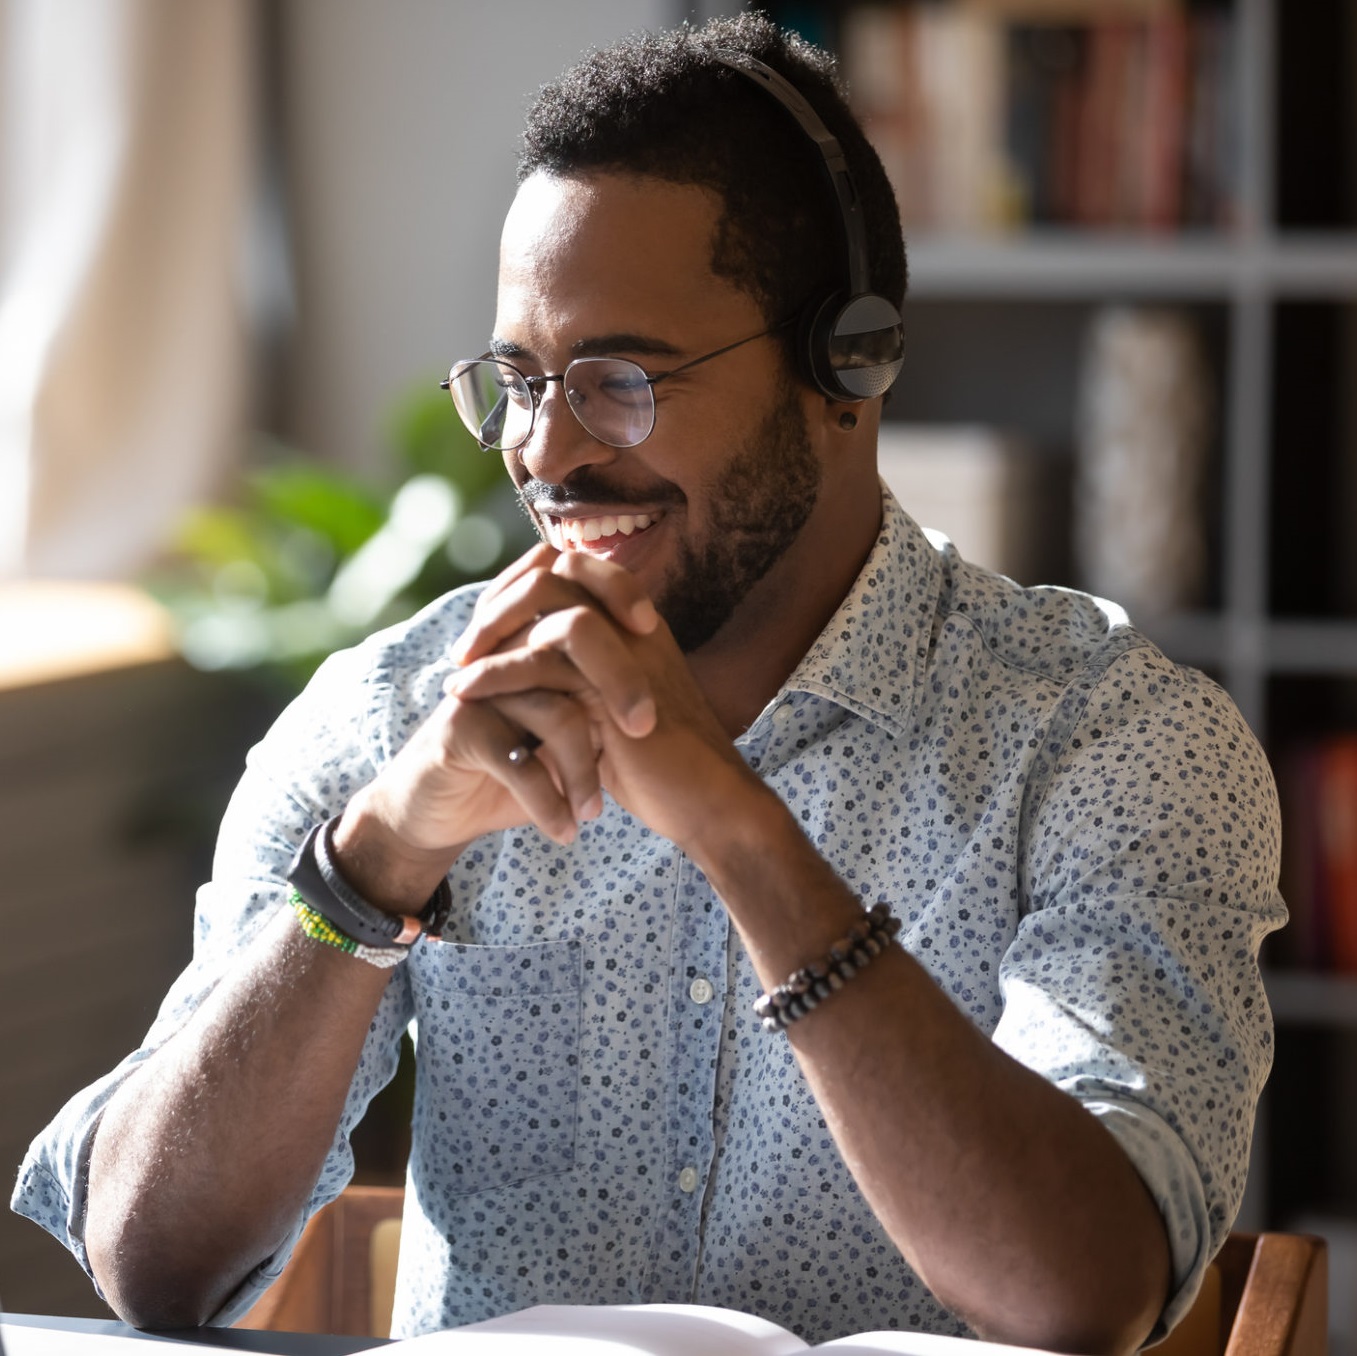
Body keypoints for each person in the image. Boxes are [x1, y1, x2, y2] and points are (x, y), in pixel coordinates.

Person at [12, 15, 1284, 1354]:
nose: (546, 453)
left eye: (620, 380)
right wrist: (375, 864)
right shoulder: (394, 715)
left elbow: (1081, 1293)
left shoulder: (1114, 741)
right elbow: (148, 1267)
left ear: (845, 365)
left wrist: (737, 831)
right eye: (516, 379)